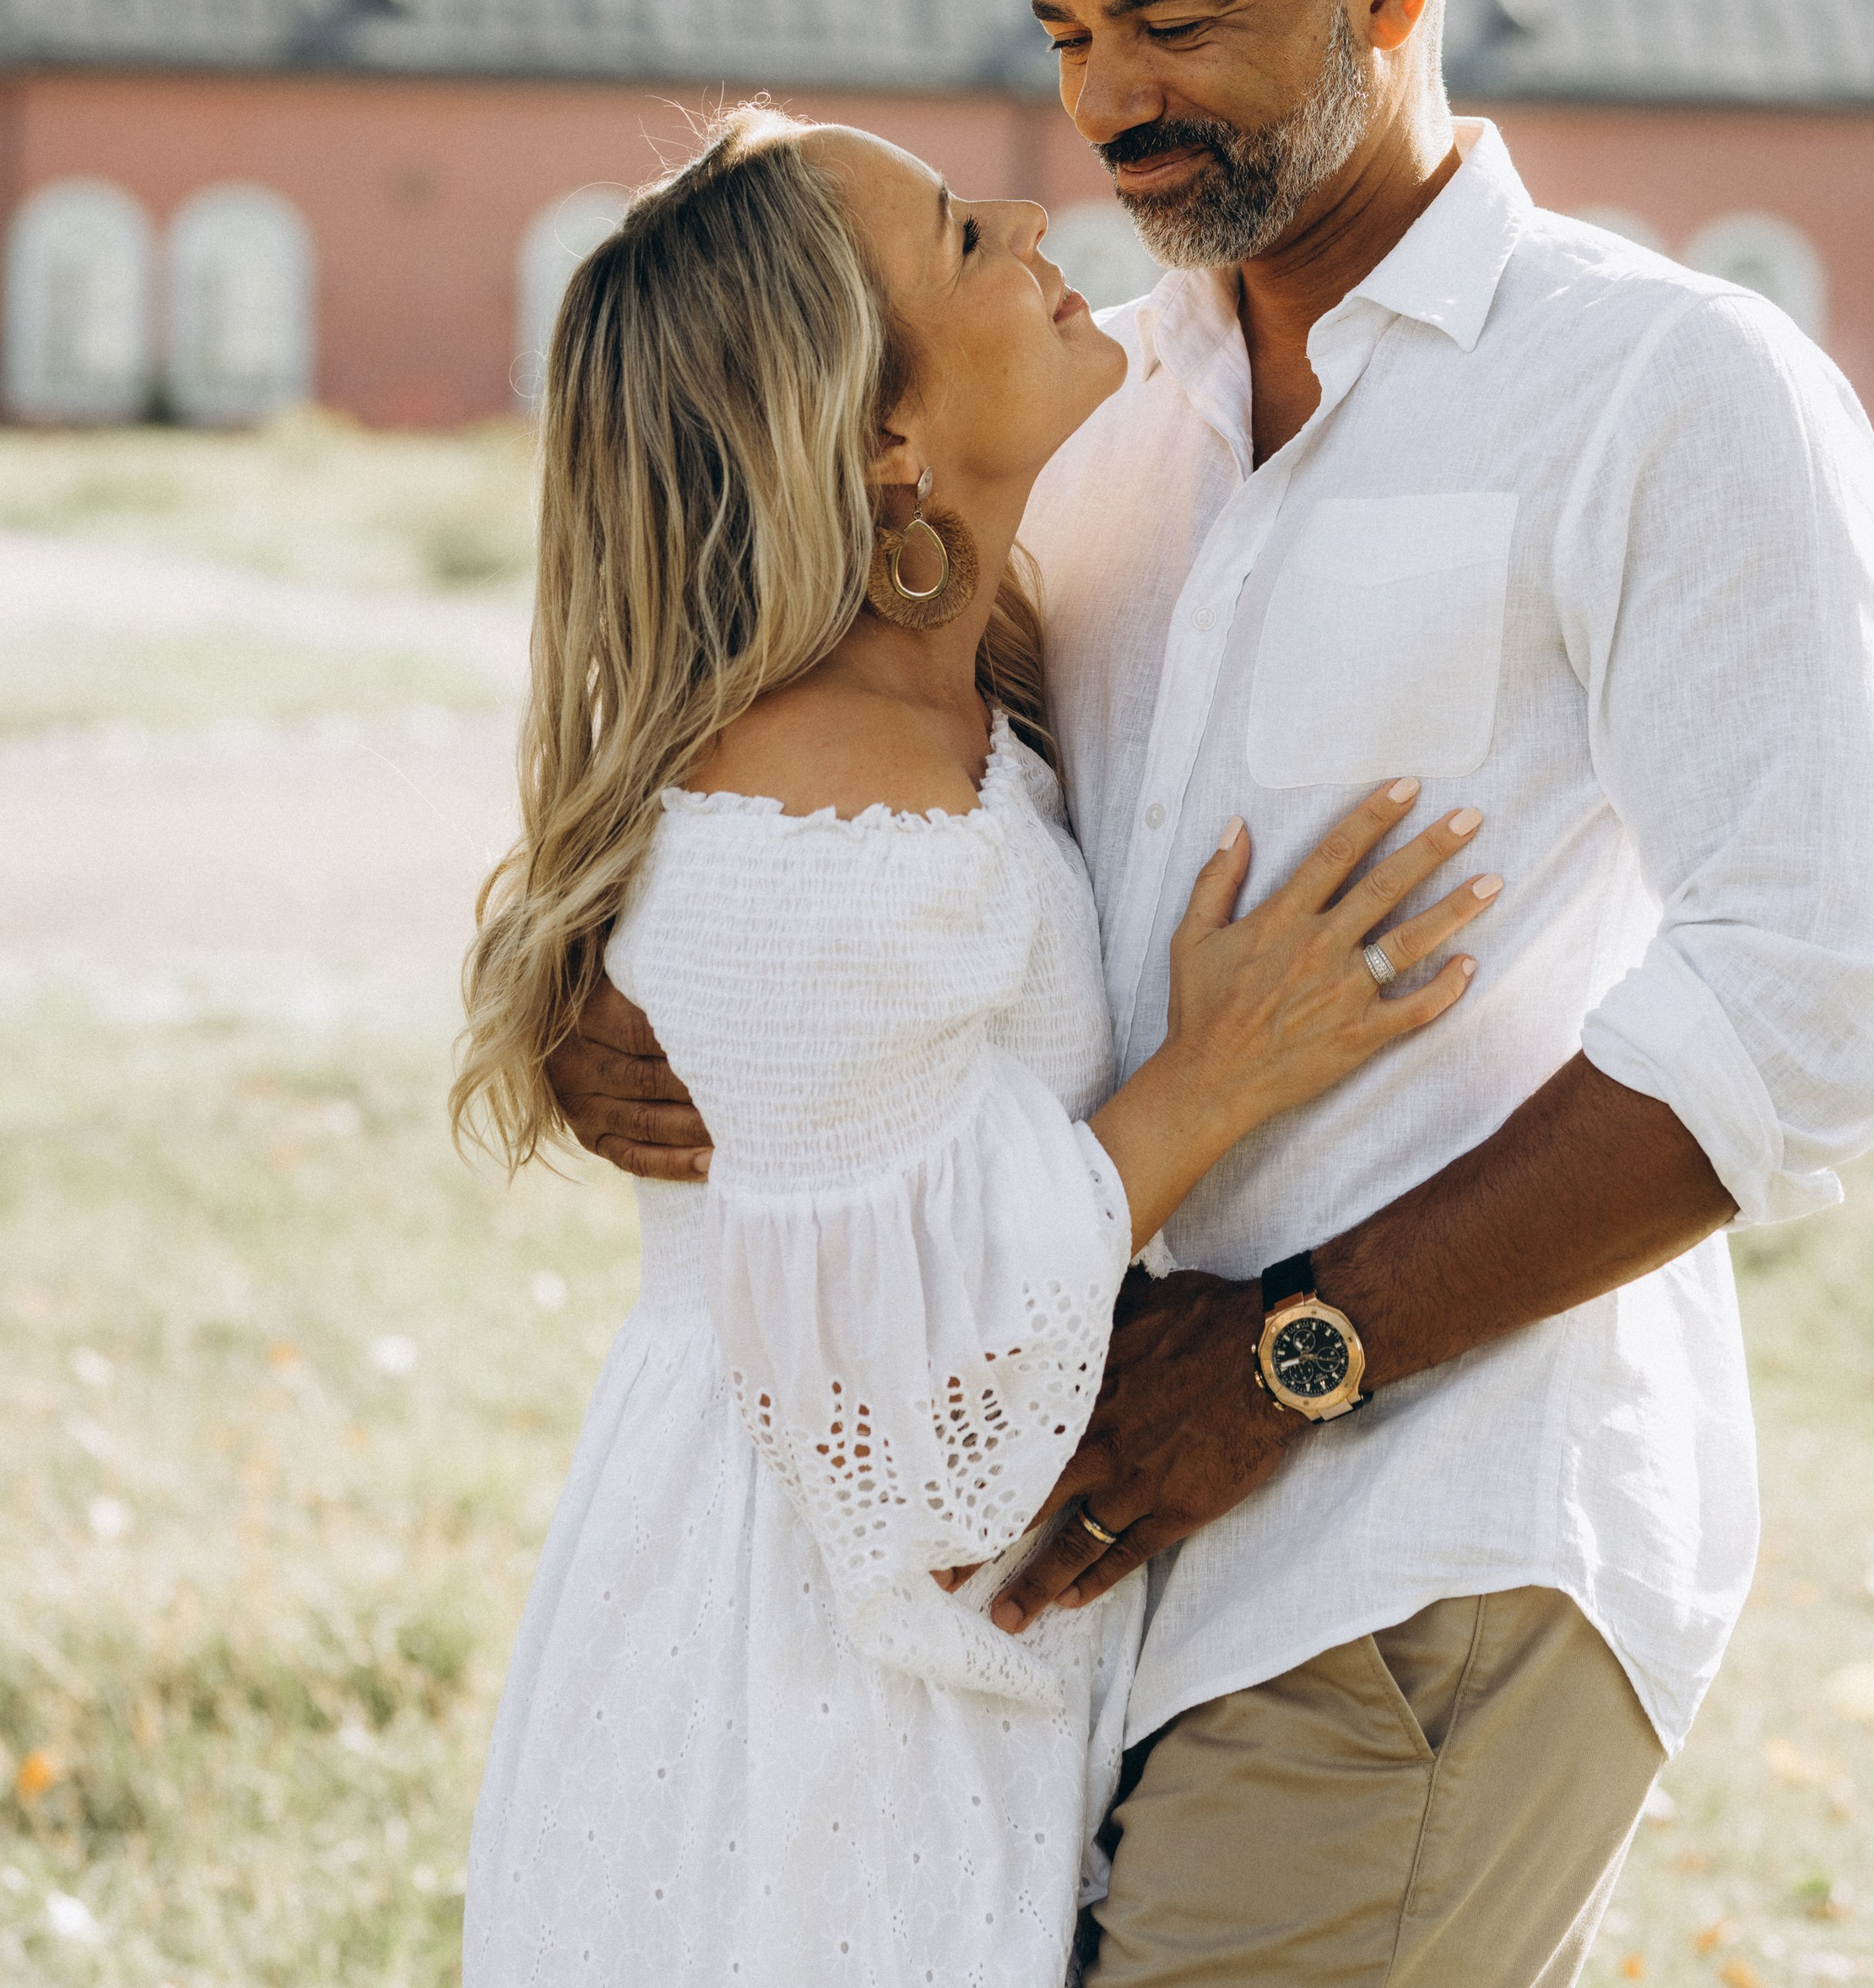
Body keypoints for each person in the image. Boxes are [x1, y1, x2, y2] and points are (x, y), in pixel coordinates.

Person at [561, 0, 1874, 1985]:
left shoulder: (1667, 388)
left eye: (1173, 21)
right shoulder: (1095, 417)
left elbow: (1805, 1011)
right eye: (1066, 33)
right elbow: (803, 747)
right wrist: (624, 992)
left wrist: (1299, 1352)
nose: (1104, 102)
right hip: (1072, 1562)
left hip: (1431, 1537)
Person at [452, 100, 1499, 1988]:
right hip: (805, 1668)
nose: (1027, 214)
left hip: (858, 1635)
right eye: (954, 235)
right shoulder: (820, 803)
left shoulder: (927, 713)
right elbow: (919, 1425)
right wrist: (1214, 1079)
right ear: (883, 440)